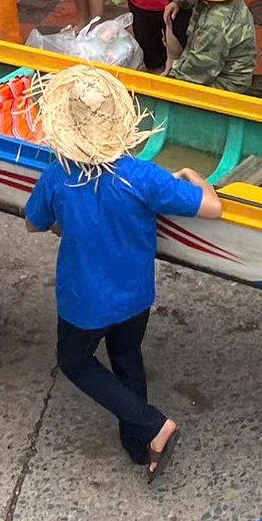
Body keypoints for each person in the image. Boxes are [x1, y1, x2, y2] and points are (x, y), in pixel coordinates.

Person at [23, 66, 221, 478]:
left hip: (84, 300)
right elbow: (211, 206)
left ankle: (153, 424)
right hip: (134, 294)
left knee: (74, 360)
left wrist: (64, 221)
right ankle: (138, 447)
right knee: (126, 356)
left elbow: (33, 222)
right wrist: (192, 176)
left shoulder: (59, 176)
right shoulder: (143, 175)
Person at [165, 0, 261, 96]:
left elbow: (198, 71)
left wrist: (170, 80)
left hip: (227, 82)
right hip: (215, 64)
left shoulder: (215, 22)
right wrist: (180, 2)